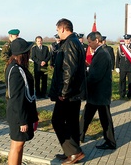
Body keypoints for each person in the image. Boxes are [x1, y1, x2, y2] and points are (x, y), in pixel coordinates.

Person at [49, 18, 86, 164]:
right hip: (73, 92)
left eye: (58, 30)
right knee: (71, 123)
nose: (57, 32)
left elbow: (69, 71)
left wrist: (63, 92)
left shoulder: (70, 43)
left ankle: (74, 152)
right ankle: (70, 152)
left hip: (68, 93)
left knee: (57, 120)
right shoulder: (74, 42)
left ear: (63, 29)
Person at [80, 31, 116, 150]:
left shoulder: (102, 54)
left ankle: (110, 142)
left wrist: (84, 81)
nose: (89, 45)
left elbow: (95, 75)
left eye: (90, 42)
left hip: (100, 93)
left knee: (105, 119)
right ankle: (79, 136)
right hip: (97, 94)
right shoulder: (100, 52)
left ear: (96, 40)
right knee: (86, 115)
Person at [5, 38, 38, 165]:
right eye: (28, 51)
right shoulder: (16, 71)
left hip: (21, 112)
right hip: (18, 114)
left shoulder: (16, 67)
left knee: (19, 144)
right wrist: (22, 120)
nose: (29, 53)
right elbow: (17, 97)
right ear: (23, 54)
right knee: (17, 145)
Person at [115, 34, 131, 99]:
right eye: (126, 39)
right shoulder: (121, 47)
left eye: (128, 39)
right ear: (124, 40)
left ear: (130, 40)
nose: (127, 41)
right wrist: (117, 66)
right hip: (122, 67)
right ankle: (122, 93)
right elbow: (118, 57)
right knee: (122, 80)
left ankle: (130, 94)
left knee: (130, 81)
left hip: (130, 67)